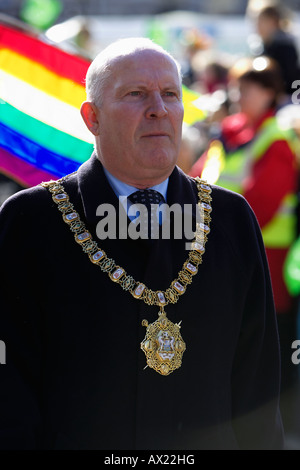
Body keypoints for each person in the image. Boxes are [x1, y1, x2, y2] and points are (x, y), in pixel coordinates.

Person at [0, 38, 283, 450]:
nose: (159, 109)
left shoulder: (231, 219)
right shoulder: (30, 221)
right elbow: (10, 391)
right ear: (92, 118)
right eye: (136, 94)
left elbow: (257, 386)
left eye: (170, 94)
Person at [189, 55, 299, 440]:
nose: (239, 94)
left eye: (249, 87)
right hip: (214, 253)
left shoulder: (276, 140)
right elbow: (194, 183)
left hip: (266, 259)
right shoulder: (228, 133)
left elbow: (263, 206)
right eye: (236, 86)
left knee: (266, 346)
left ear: (270, 93)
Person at [254, 5, 300, 99]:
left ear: (272, 22)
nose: (256, 26)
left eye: (260, 21)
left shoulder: (284, 45)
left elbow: (289, 77)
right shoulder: (264, 45)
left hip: (286, 98)